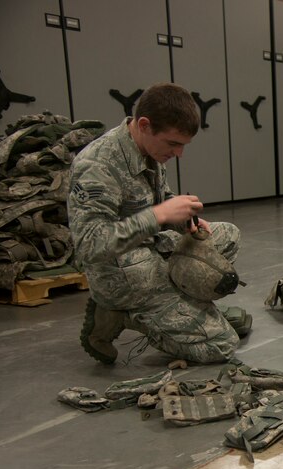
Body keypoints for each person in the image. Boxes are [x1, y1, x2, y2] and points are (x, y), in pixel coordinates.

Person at [68, 82, 241, 365]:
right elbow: (90, 244)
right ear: (145, 125)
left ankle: (187, 307)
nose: (179, 154)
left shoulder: (150, 149)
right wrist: (160, 215)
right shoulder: (97, 165)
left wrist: (184, 220)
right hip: (124, 272)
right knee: (222, 344)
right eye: (173, 144)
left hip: (154, 249)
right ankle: (119, 313)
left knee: (227, 236)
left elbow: (160, 197)